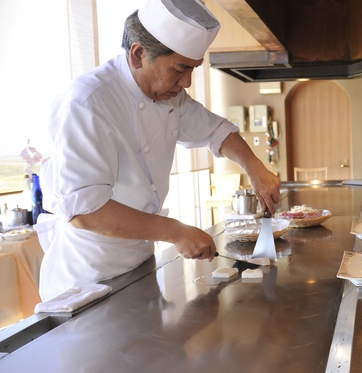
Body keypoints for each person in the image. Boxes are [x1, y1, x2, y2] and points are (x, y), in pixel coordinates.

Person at [35, 0, 281, 301]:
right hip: (86, 280)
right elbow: (85, 210)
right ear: (138, 54)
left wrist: (256, 168)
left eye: (192, 70)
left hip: (139, 268)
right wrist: (176, 231)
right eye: (180, 69)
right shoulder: (87, 103)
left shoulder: (170, 96)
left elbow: (217, 131)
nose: (187, 82)